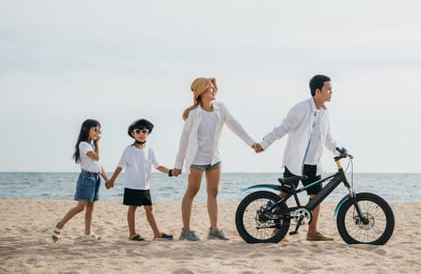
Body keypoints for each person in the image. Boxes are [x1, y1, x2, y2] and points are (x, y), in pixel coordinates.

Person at [253, 74, 340, 241]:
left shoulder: (325, 113)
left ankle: (312, 232)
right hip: (295, 162)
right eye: (328, 89)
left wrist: (338, 150)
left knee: (316, 197)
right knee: (284, 196)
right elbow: (283, 127)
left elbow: (328, 139)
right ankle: (276, 230)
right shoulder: (301, 108)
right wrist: (264, 143)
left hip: (313, 164)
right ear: (317, 91)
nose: (331, 92)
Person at [173, 77, 259, 241]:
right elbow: (184, 140)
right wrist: (178, 164)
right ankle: (185, 231)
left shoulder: (221, 108)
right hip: (196, 159)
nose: (214, 90)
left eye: (214, 87)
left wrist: (251, 142)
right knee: (192, 191)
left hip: (214, 159)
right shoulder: (194, 114)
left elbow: (234, 125)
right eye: (210, 88)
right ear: (201, 91)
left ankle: (213, 230)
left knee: (213, 193)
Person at [106, 119, 174, 241]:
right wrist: (112, 180)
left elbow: (158, 166)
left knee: (149, 209)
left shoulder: (150, 150)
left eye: (144, 131)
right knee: (132, 208)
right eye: (138, 131)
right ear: (133, 134)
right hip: (132, 185)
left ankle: (157, 234)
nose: (141, 133)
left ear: (148, 133)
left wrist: (170, 172)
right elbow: (120, 166)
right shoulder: (128, 150)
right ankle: (132, 233)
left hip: (145, 186)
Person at [52, 119, 110, 242]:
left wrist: (107, 179)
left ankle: (87, 233)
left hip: (96, 178)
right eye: (95, 129)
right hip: (87, 178)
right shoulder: (83, 145)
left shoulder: (92, 146)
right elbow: (96, 157)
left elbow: (99, 164)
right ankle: (60, 225)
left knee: (90, 208)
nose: (97, 133)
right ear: (86, 129)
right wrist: (98, 144)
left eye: (99, 131)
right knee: (80, 207)